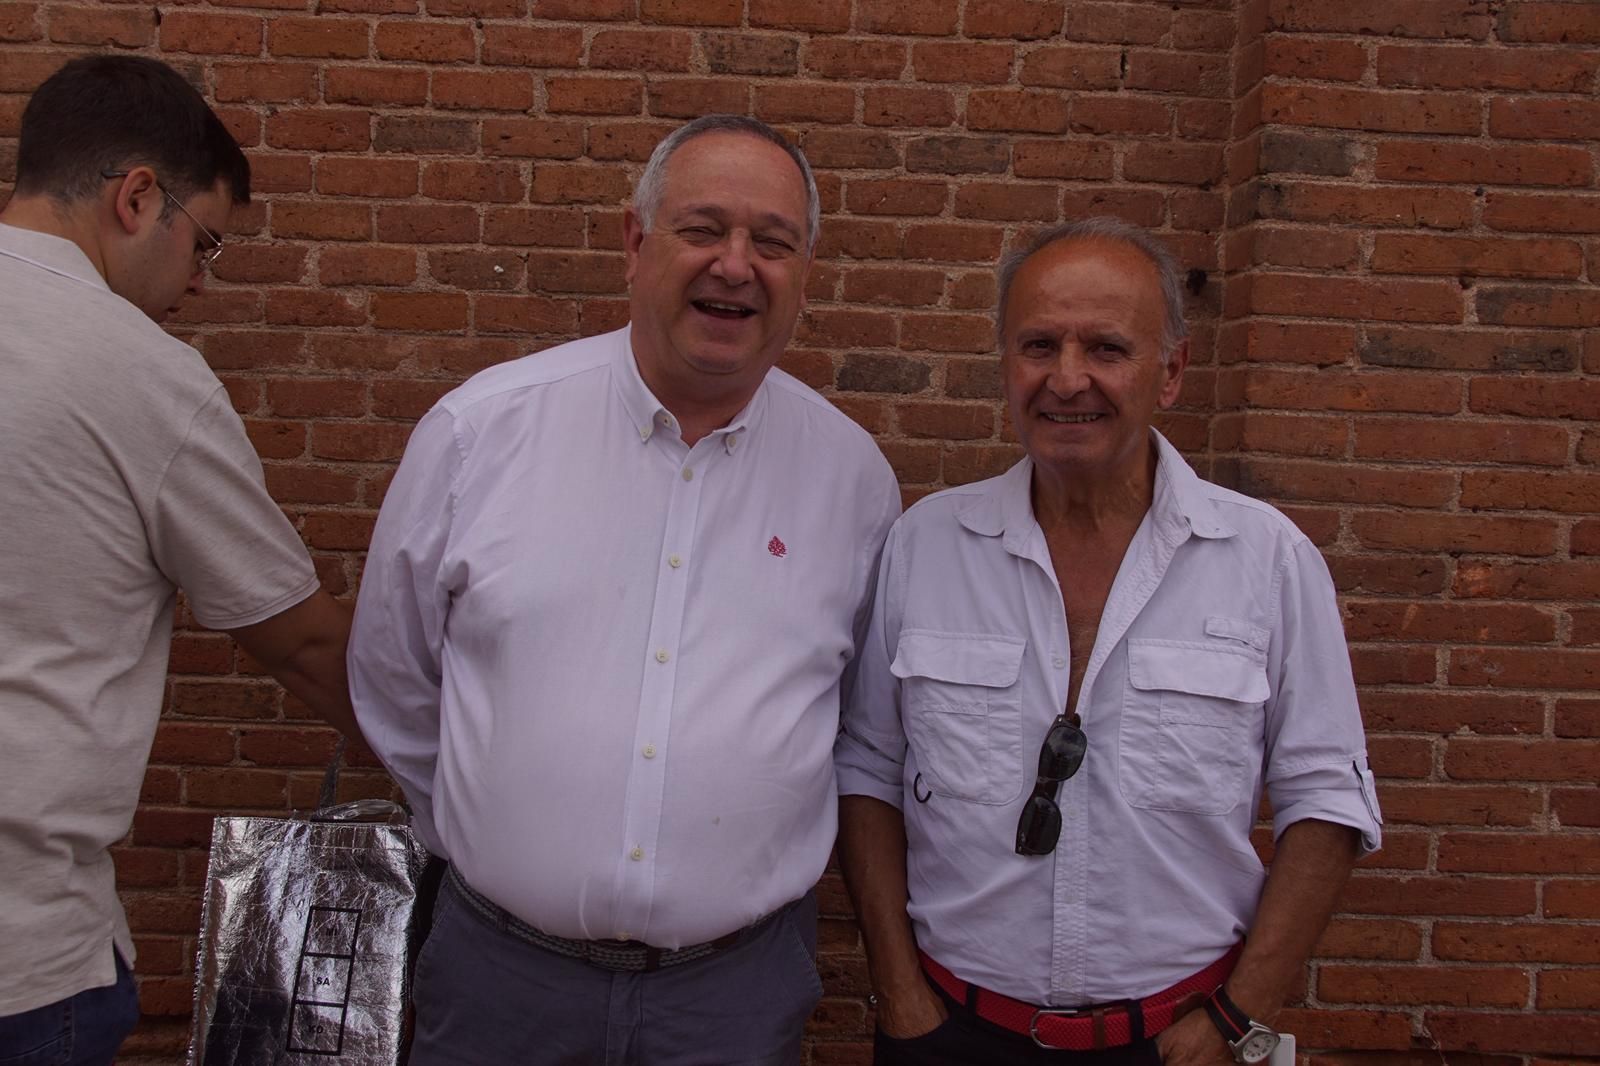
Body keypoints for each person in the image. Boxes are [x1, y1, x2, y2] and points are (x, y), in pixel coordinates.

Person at [348, 114, 900, 1065]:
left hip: (732, 1001)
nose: (736, 265)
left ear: (805, 273)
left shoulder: (854, 481)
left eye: (773, 243)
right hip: (501, 983)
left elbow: (857, 725)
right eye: (703, 229)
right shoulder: (481, 433)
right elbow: (394, 676)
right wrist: (482, 826)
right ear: (634, 243)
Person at [836, 218, 1383, 1066]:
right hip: (952, 1034)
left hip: (1181, 1039)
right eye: (1039, 345)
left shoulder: (1267, 560)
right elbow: (868, 770)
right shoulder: (926, 546)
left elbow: (1327, 801)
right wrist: (900, 994)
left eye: (1107, 349)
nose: (1067, 379)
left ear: (1172, 371)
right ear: (1006, 365)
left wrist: (1237, 1018)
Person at [0, 55, 362, 1066]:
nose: (201, 281)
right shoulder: (142, 375)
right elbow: (300, 641)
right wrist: (468, 774)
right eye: (204, 242)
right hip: (21, 960)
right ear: (136, 197)